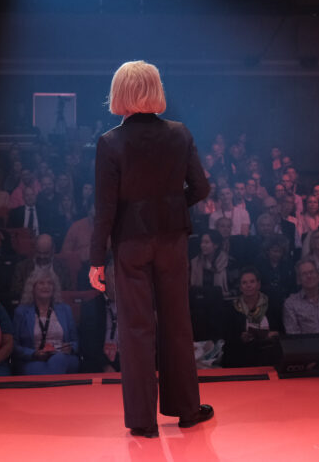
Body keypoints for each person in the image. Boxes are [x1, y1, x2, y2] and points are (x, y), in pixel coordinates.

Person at [88, 60, 212, 438]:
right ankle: (188, 410)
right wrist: (172, 205)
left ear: (120, 92)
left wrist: (96, 260)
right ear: (156, 89)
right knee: (177, 323)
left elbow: (105, 208)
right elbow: (202, 189)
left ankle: (143, 421)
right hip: (173, 239)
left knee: (136, 328)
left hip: (130, 243)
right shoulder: (179, 133)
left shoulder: (110, 142)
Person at [12, 267, 79, 375]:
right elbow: (14, 345)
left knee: (58, 360)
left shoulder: (65, 310)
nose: (46, 286)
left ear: (54, 288)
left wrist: (70, 348)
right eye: (41, 283)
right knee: (37, 367)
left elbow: (76, 341)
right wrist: (34, 354)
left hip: (63, 357)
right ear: (32, 288)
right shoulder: (21, 312)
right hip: (33, 359)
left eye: (50, 283)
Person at [222, 268, 282, 368]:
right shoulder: (231, 308)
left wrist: (273, 334)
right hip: (241, 355)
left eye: (252, 282)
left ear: (258, 284)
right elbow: (227, 337)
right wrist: (240, 338)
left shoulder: (272, 304)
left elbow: (281, 330)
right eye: (244, 283)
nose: (248, 285)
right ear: (240, 287)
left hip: (268, 352)